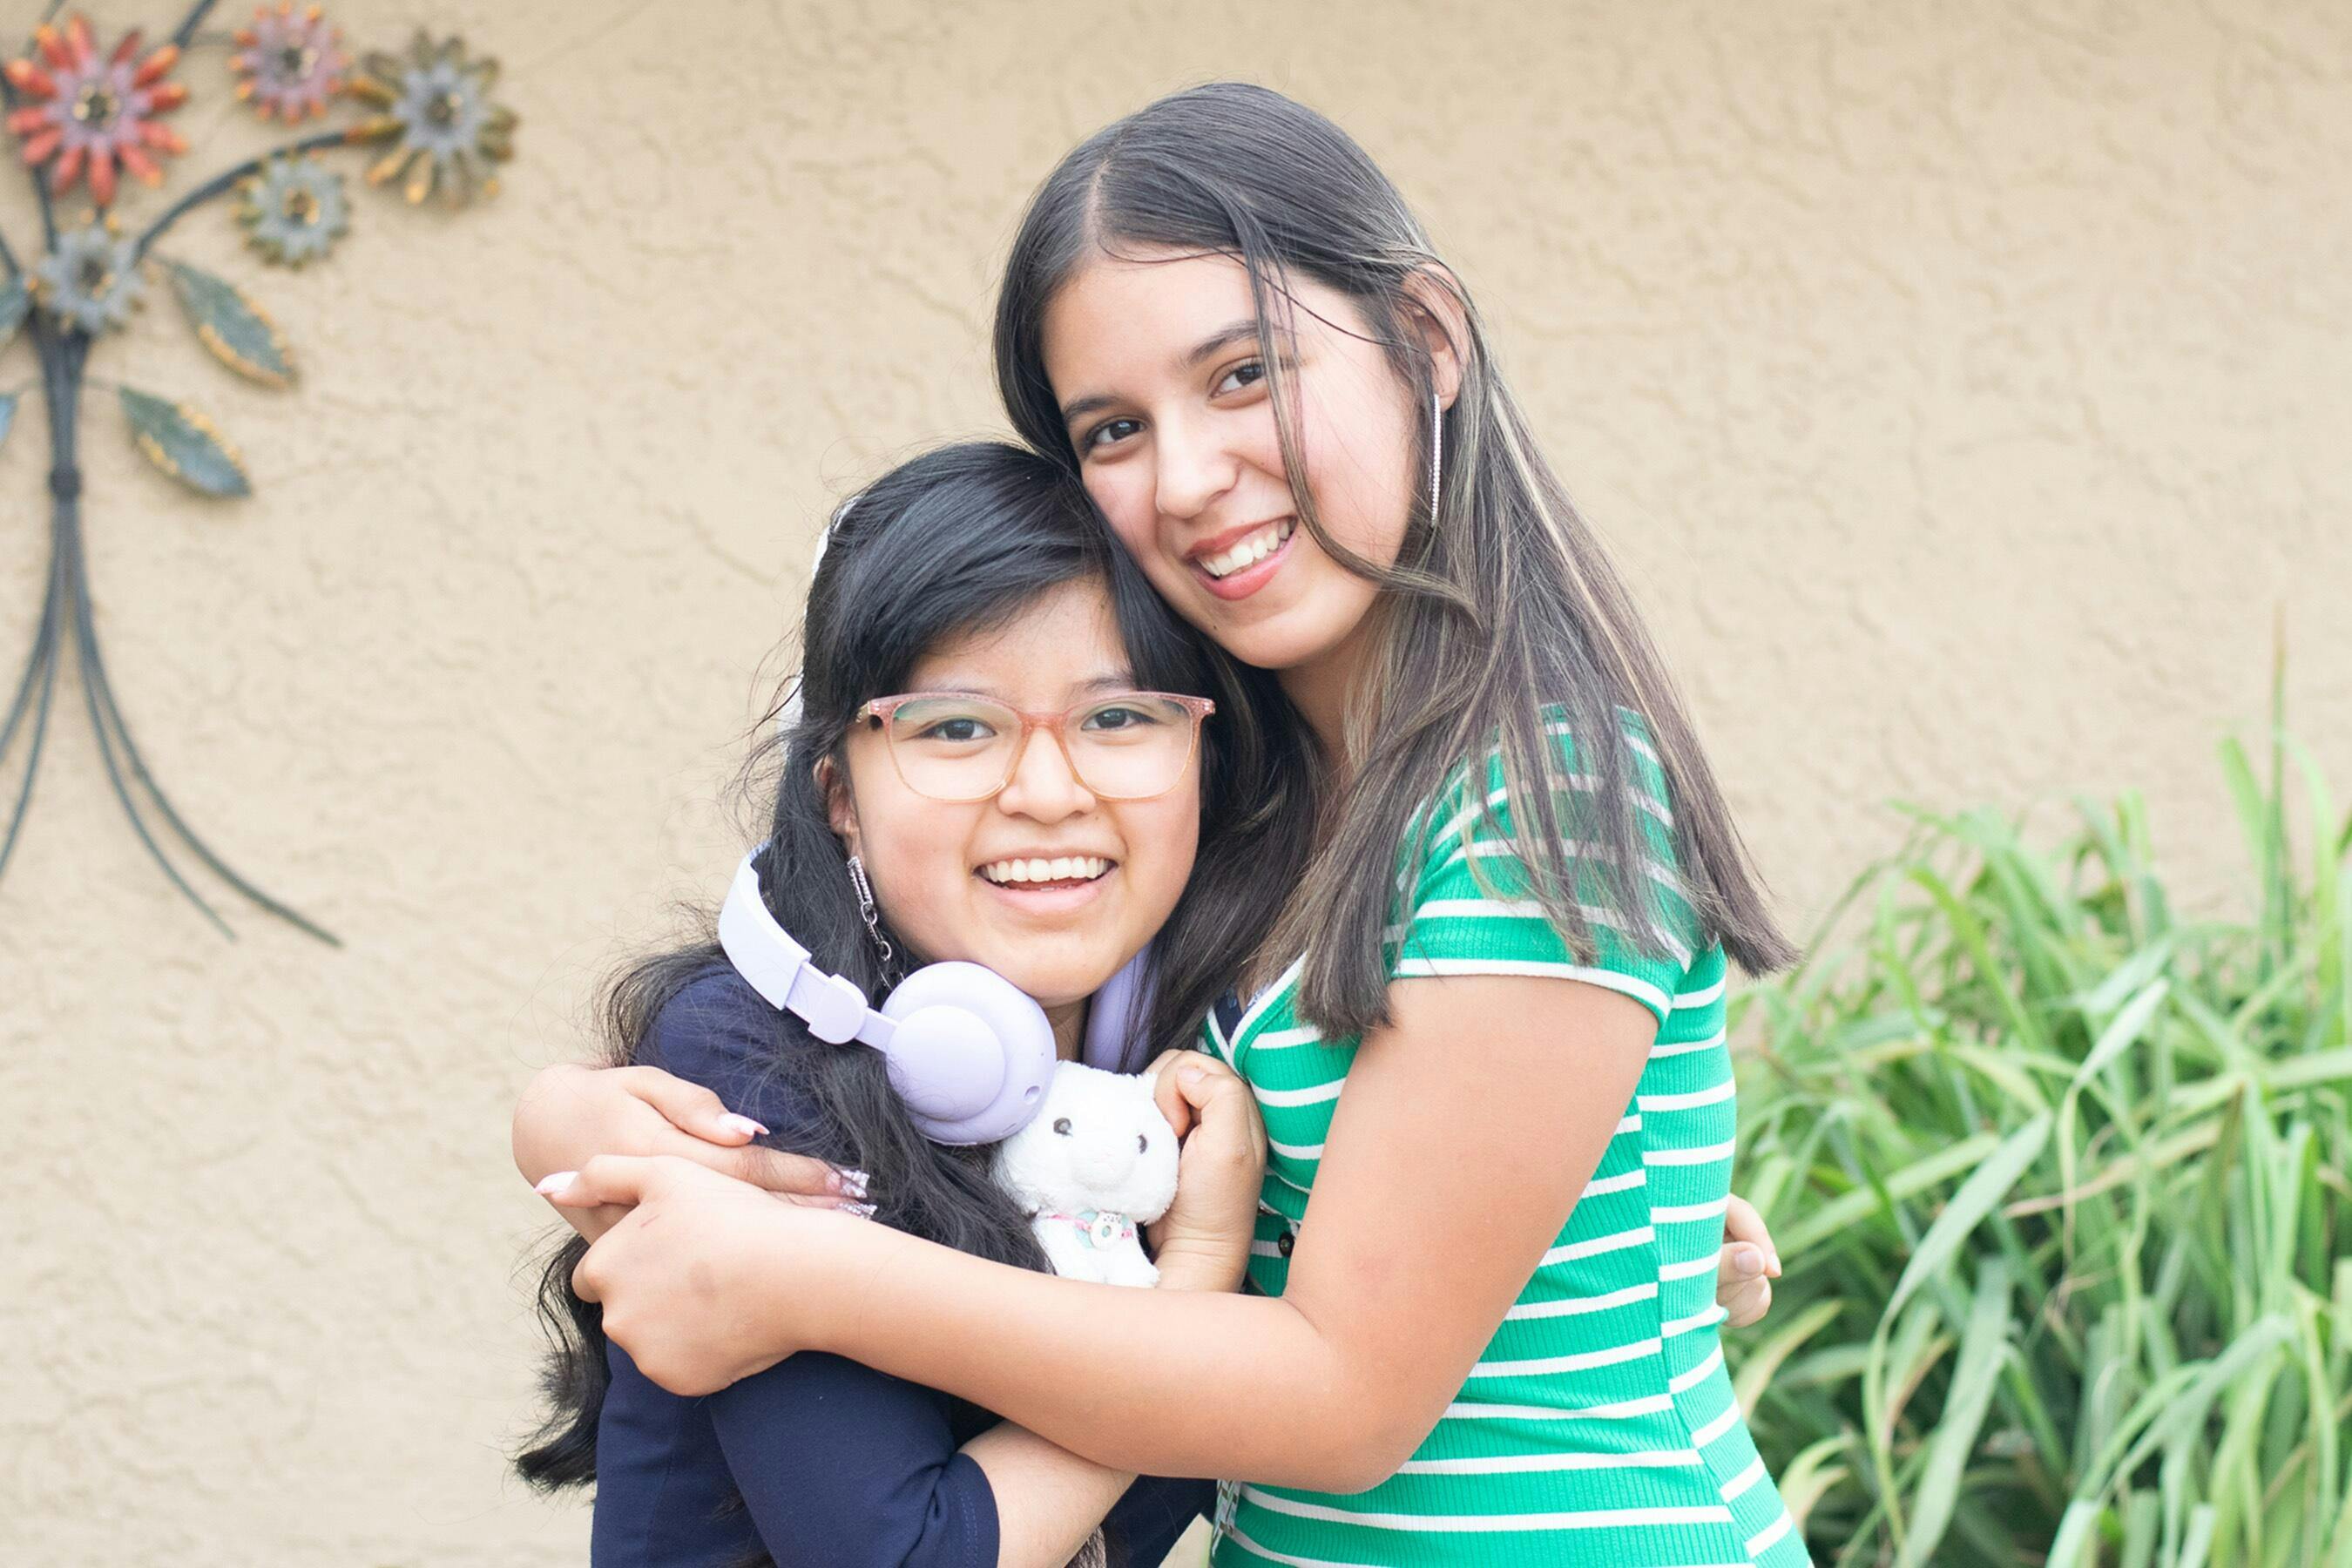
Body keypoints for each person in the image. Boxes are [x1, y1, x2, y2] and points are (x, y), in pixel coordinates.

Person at [528, 82, 1803, 1567]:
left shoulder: (1541, 792)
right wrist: (570, 1118)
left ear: (1428, 342)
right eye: (1115, 428)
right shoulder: (1255, 805)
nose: (1188, 478)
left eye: (1245, 374)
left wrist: (799, 1277)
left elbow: (1342, 1400)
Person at [515, 441, 1308, 1567]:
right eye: (955, 727)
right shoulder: (748, 1058)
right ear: (838, 792)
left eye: (1121, 717)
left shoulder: (1197, 1078)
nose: (1049, 794)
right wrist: (1193, 1284)